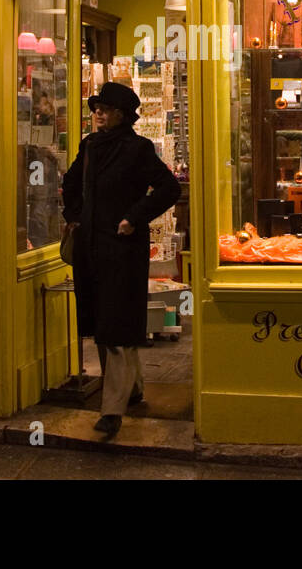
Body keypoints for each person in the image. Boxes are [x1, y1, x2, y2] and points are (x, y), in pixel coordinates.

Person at [61, 82, 181, 436]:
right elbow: (70, 183)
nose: (98, 113)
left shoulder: (137, 149)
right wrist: (75, 215)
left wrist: (134, 217)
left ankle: (111, 410)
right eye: (96, 107)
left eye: (106, 108)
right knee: (105, 323)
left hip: (121, 249)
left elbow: (169, 188)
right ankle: (135, 387)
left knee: (115, 324)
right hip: (91, 248)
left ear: (123, 115)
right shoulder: (91, 145)